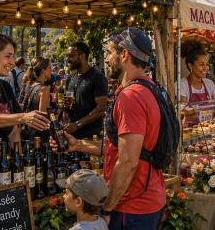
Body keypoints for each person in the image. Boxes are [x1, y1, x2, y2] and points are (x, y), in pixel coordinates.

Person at [58, 28, 165, 229]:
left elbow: (128, 162)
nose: (106, 60)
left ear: (124, 54)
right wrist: (78, 145)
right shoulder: (149, 88)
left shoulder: (130, 96)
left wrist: (106, 209)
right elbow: (121, 147)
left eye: (109, 52)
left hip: (132, 205)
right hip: (147, 197)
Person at [65, 42, 109, 139]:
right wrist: (64, 108)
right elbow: (68, 102)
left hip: (90, 136)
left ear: (82, 56)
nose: (68, 59)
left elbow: (101, 108)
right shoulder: (70, 78)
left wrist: (78, 124)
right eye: (67, 56)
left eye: (71, 56)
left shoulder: (97, 77)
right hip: (71, 134)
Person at [19, 57, 52, 138]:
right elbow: (42, 116)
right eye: (49, 68)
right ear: (43, 71)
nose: (51, 70)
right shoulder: (44, 89)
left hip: (24, 129)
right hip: (37, 134)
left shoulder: (27, 84)